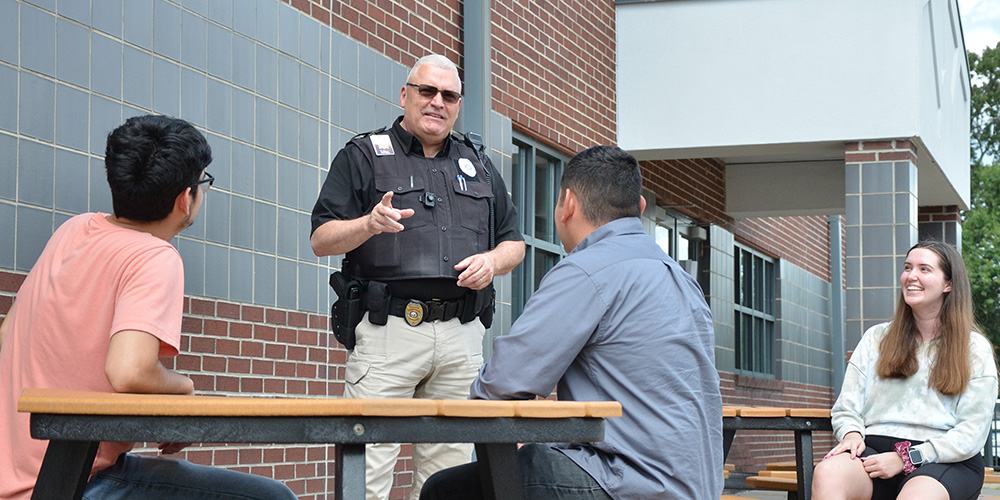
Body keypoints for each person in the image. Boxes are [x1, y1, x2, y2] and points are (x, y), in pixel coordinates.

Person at [0, 115, 297, 500]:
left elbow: (9, 332)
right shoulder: (155, 257)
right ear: (184, 199)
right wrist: (184, 389)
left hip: (20, 474)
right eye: (203, 183)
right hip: (73, 481)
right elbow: (128, 370)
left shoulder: (73, 230)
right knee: (274, 498)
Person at [420, 145, 724, 500]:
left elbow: (502, 383)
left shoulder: (588, 269)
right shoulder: (681, 278)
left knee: (445, 490)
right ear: (639, 208)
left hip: (628, 483)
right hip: (698, 484)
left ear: (568, 205)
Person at [309, 54, 525, 499]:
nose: (437, 102)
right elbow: (321, 239)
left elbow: (514, 242)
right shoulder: (364, 154)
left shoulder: (479, 164)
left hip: (460, 336)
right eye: (427, 91)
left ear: (459, 104)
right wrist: (367, 224)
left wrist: (493, 262)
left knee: (447, 479)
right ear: (405, 95)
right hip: (388, 333)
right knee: (366, 472)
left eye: (449, 95)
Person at [812, 240, 998, 500]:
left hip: (944, 460)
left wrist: (907, 458)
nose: (911, 276)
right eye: (908, 267)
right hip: (873, 453)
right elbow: (846, 408)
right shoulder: (876, 338)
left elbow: (971, 433)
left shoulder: (973, 348)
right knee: (828, 473)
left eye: (924, 269)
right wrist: (851, 432)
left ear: (948, 284)